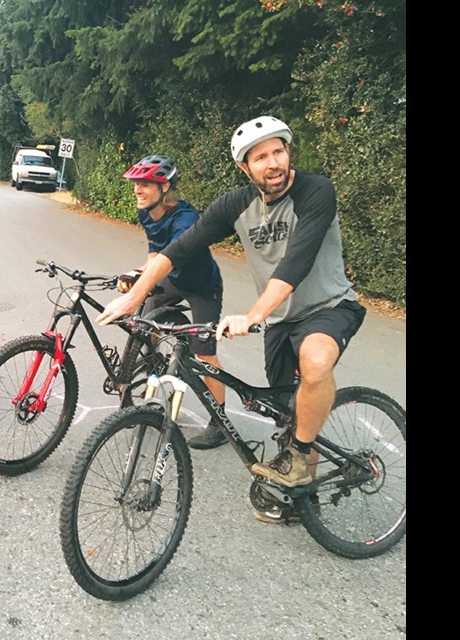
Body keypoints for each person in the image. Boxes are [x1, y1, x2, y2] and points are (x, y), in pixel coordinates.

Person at [97, 116, 366, 523]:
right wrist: (134, 296)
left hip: (328, 306)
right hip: (281, 320)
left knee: (315, 362)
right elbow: (177, 249)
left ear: (288, 152)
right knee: (289, 414)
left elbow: (296, 262)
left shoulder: (316, 191)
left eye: (278, 151)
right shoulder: (236, 204)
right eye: (260, 157)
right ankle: (301, 488)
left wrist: (254, 313)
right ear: (246, 167)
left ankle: (297, 477)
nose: (272, 162)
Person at [116, 155, 228, 449]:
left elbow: (173, 255)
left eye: (145, 185)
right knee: (145, 330)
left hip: (203, 287)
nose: (137, 190)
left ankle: (219, 423)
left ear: (164, 187)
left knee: (205, 354)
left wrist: (142, 284)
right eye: (136, 185)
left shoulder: (186, 219)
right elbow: (155, 255)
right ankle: (152, 393)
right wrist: (137, 272)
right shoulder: (146, 212)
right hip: (172, 279)